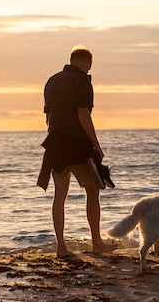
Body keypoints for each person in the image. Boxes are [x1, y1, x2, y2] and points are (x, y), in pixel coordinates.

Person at [37, 46, 116, 259]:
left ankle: (61, 247)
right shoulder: (82, 80)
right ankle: (97, 243)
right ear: (85, 63)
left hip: (54, 143)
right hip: (76, 143)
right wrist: (96, 145)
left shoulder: (51, 81)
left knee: (59, 195)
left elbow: (49, 116)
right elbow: (83, 115)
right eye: (89, 65)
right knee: (92, 190)